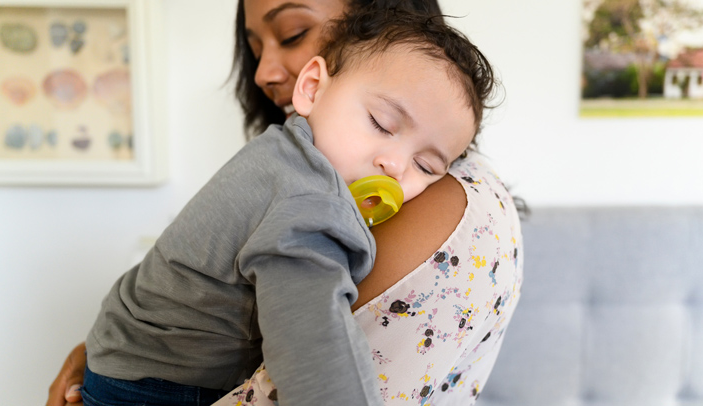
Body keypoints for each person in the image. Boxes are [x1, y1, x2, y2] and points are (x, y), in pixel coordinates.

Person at [47, 1, 524, 405]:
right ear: (314, 87)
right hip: (155, 385)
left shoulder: (287, 157)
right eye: (380, 123)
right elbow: (313, 346)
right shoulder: (310, 197)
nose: (396, 166)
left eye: (427, 164)